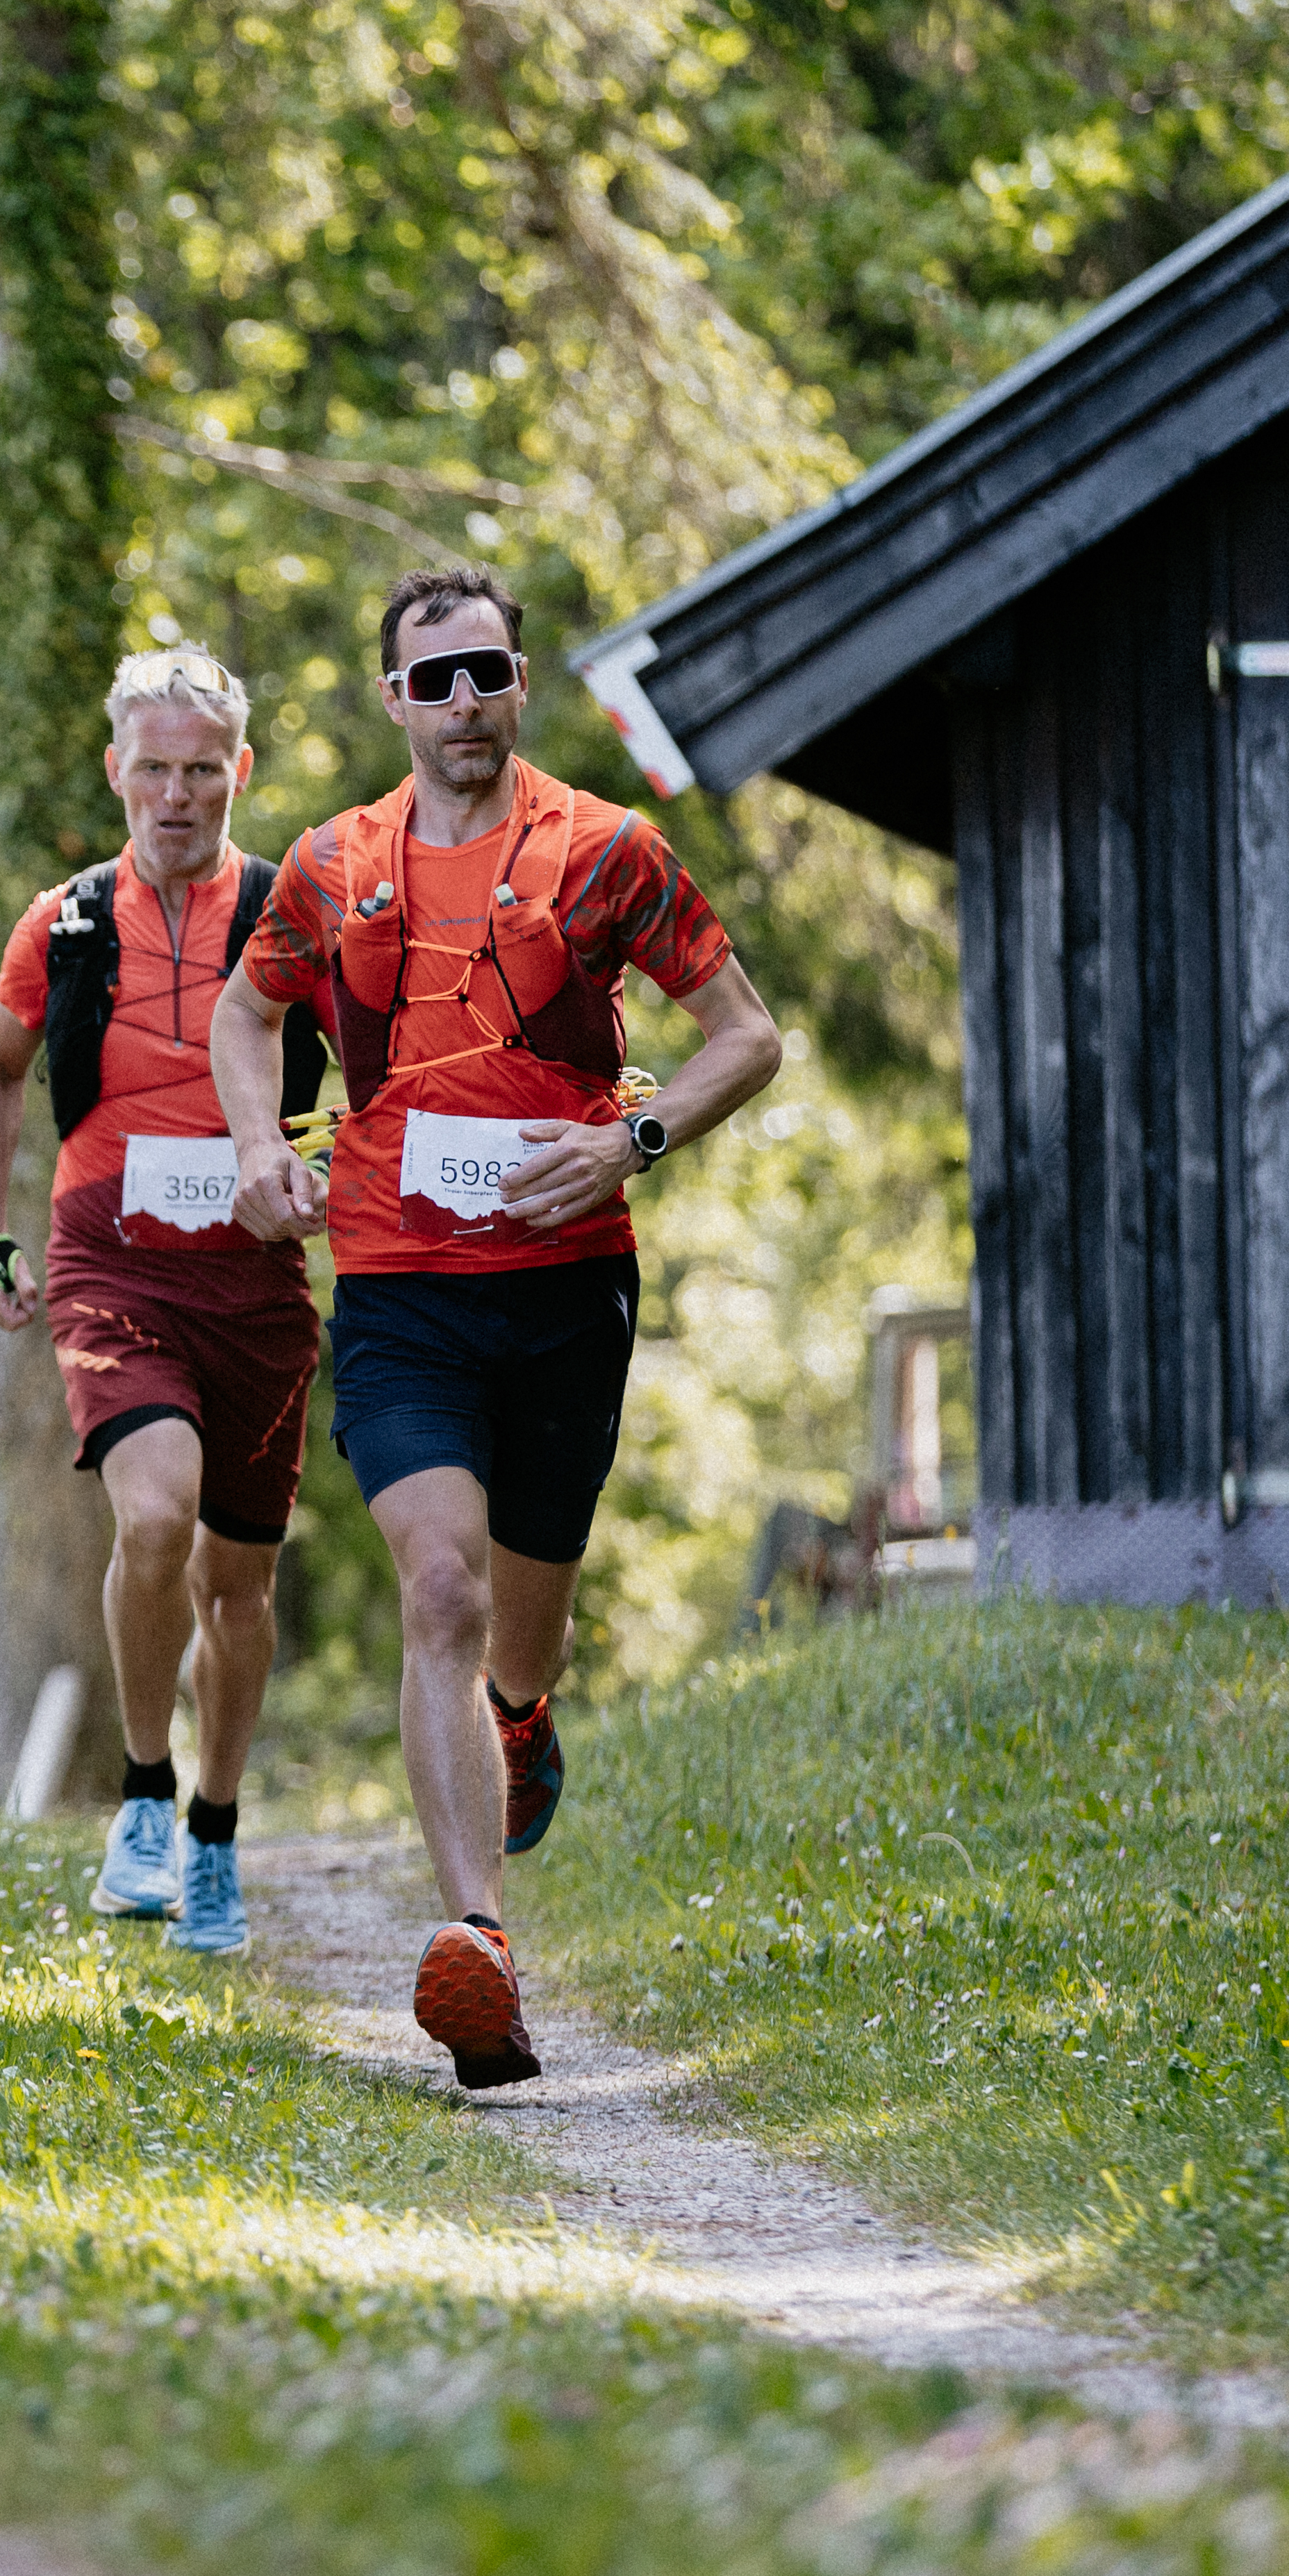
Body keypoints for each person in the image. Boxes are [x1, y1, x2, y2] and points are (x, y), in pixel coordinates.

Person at [213, 564, 781, 2088]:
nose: (464, 701)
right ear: (392, 699)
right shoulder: (330, 865)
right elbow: (246, 1009)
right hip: (398, 1285)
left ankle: (523, 1720)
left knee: (522, 1617)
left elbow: (748, 1034)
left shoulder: (609, 850)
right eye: (434, 679)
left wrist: (633, 1142)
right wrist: (263, 1148)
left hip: (567, 1284)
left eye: (488, 673)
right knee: (443, 1589)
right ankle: (481, 1944)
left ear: (519, 683)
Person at [0, 646, 326, 1958]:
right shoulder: (61, 923)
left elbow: (376, 1072)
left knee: (240, 1584)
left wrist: (321, 1166)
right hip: (111, 1260)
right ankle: (145, 1793)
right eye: (154, 769)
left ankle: (217, 1833)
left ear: (239, 774)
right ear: (116, 770)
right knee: (154, 1513)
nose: (177, 795)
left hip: (256, 1279)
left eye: (203, 771)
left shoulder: (294, 910)